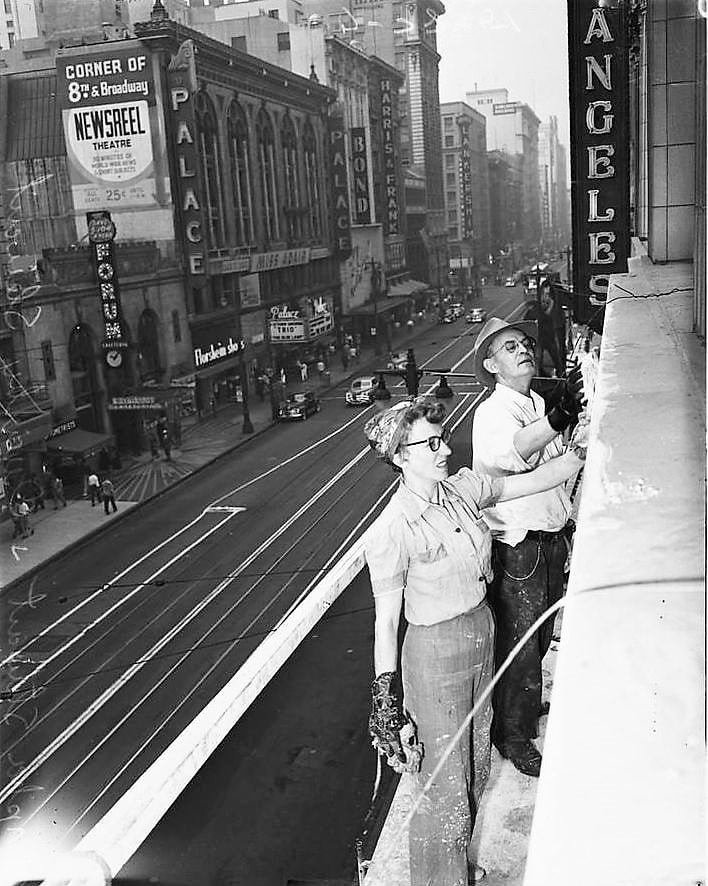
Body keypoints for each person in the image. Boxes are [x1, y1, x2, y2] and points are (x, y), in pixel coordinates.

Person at [363, 397, 584, 886]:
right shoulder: (392, 530)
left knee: (476, 761)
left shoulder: (461, 490)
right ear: (401, 456)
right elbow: (385, 623)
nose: (445, 449)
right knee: (443, 778)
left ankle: (455, 859)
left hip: (482, 628)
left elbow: (522, 482)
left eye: (443, 438)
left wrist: (578, 454)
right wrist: (385, 695)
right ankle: (437, 879)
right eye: (432, 443)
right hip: (435, 652)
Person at [471, 318, 584, 778]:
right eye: (509, 347)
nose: (522, 351)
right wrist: (558, 420)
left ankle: (524, 708)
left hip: (550, 538)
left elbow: (554, 458)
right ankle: (513, 736)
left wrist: (561, 420)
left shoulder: (534, 400)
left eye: (524, 344)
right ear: (491, 365)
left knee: (539, 636)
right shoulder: (492, 413)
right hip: (519, 547)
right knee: (520, 642)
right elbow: (512, 453)